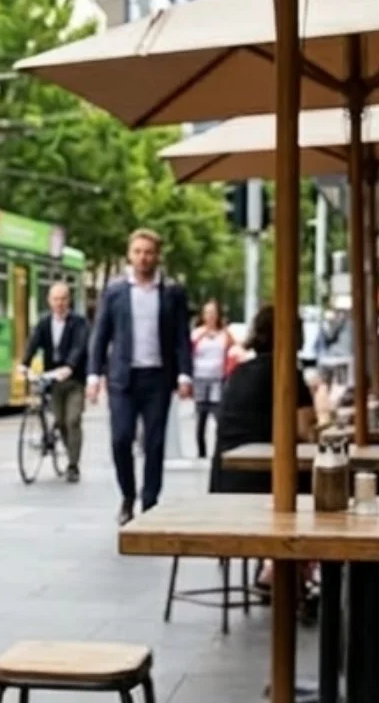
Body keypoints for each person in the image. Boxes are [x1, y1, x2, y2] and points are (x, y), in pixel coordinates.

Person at [211, 305, 316, 605]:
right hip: (265, 492)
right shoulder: (287, 375)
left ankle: (284, 569)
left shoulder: (240, 373)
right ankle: (284, 569)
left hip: (224, 487)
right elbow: (306, 432)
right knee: (323, 494)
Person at [87, 229, 193, 524]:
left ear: (157, 256)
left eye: (148, 252)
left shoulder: (172, 292)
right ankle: (128, 495)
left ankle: (150, 501)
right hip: (123, 378)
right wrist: (93, 376)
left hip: (158, 378)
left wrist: (185, 374)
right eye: (138, 252)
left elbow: (181, 338)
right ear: (129, 255)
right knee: (121, 439)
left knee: (155, 444)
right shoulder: (115, 290)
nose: (143, 258)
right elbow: (101, 334)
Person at [21, 281, 89, 481]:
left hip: (74, 380)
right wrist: (24, 365)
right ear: (49, 301)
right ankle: (67, 453)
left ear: (69, 301)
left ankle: (73, 465)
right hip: (53, 380)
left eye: (63, 299)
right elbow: (33, 344)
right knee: (60, 421)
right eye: (55, 299)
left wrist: (70, 366)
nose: (59, 303)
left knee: (72, 420)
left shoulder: (79, 323)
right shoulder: (43, 323)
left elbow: (79, 347)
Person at [191, 299, 232, 460]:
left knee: (218, 415)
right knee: (201, 417)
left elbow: (235, 350)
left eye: (213, 312)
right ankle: (201, 452)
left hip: (218, 378)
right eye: (207, 312)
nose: (210, 316)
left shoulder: (225, 334)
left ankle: (219, 450)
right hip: (200, 377)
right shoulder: (196, 334)